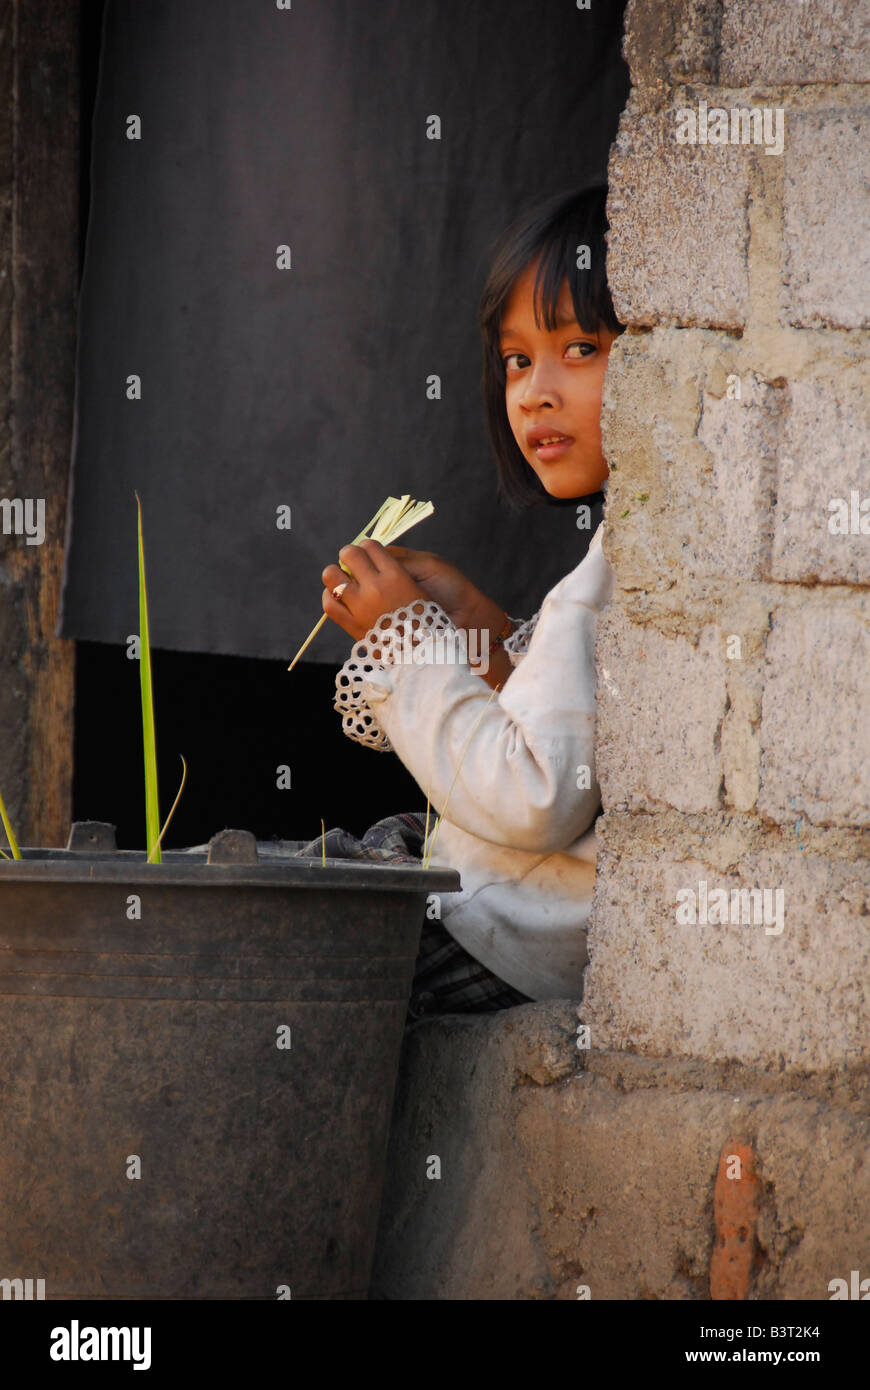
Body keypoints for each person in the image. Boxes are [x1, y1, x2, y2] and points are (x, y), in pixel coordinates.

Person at [319, 185, 624, 1020]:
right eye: (518, 359)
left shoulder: (616, 579)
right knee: (331, 859)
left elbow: (536, 796)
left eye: (581, 347)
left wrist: (407, 640)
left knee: (275, 937)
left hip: (503, 936)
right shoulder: (627, 557)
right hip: (505, 906)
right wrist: (474, 625)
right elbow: (561, 715)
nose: (533, 392)